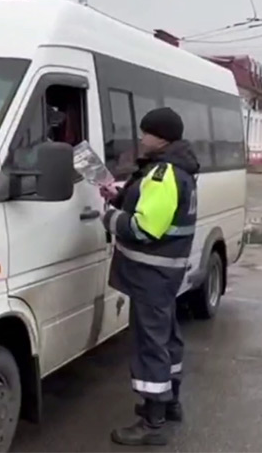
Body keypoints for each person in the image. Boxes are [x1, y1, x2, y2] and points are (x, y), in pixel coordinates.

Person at [99, 107, 199, 446]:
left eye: (146, 132)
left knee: (149, 345)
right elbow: (152, 207)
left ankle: (152, 423)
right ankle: (170, 405)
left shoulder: (163, 172)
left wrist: (110, 217)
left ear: (161, 137)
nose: (141, 138)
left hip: (150, 274)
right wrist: (121, 195)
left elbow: (144, 228)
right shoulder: (178, 169)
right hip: (164, 274)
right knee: (167, 339)